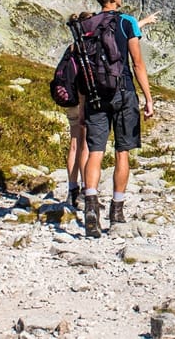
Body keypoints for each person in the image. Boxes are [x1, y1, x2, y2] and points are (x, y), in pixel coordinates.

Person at [81, 0, 155, 238]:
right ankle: (116, 210)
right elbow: (137, 64)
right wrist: (148, 98)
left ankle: (90, 207)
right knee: (122, 152)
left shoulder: (87, 24)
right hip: (123, 92)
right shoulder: (127, 22)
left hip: (94, 95)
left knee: (95, 151)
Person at [63, 11, 95, 208]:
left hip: (70, 101)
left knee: (74, 144)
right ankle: (85, 190)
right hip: (83, 101)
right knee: (86, 146)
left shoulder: (72, 47)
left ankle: (71, 189)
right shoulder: (87, 48)